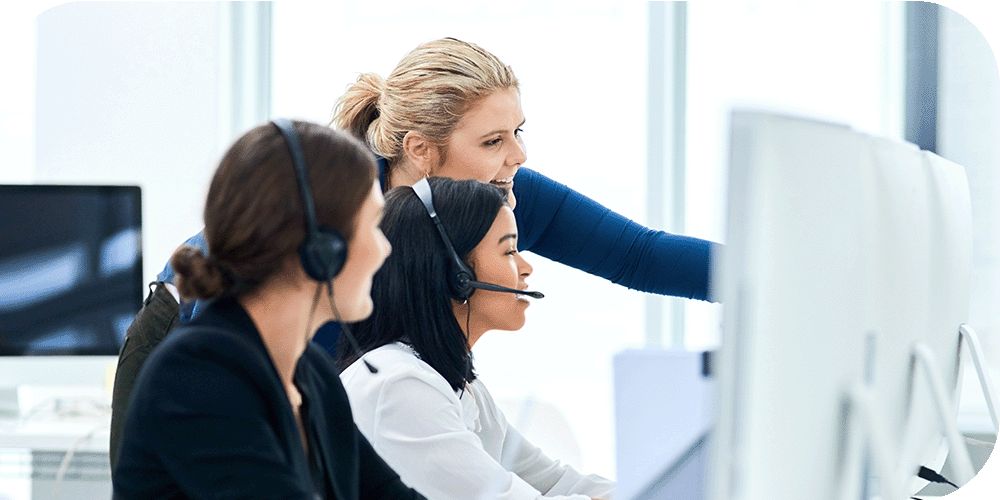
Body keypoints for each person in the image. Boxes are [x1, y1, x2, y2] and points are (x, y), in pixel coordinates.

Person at [110, 36, 719, 463]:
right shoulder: (342, 220)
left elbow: (642, 256)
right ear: (421, 148)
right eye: (492, 140)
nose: (519, 156)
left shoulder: (504, 194)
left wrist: (781, 279)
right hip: (189, 330)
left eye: (519, 132)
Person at [112, 120, 424, 499]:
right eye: (375, 226)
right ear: (320, 250)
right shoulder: (197, 376)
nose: (385, 249)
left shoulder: (309, 374)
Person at [338, 177, 614, 500]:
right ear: (457, 276)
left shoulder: (461, 387)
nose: (526, 268)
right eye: (509, 250)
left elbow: (556, 482)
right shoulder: (399, 384)